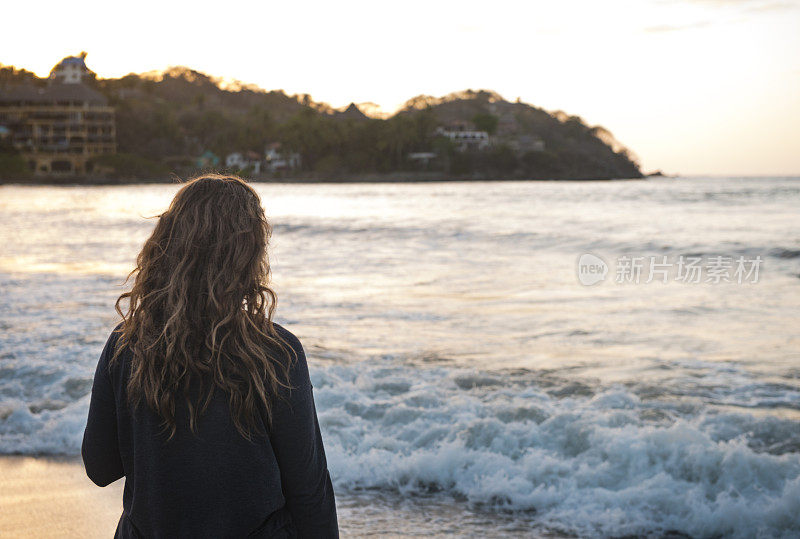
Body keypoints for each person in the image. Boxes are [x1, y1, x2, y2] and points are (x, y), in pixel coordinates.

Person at [81, 174, 338, 538]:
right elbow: (309, 490)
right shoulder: (275, 351)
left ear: (167, 244)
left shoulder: (127, 345)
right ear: (248, 254)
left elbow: (100, 467)